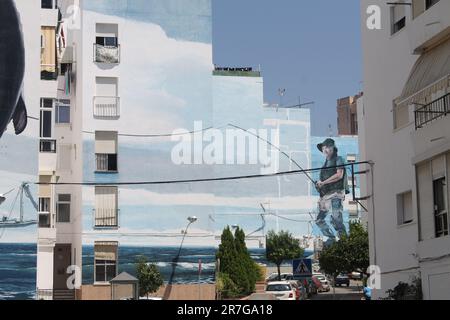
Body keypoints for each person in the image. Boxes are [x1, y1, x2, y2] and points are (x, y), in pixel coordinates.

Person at [315, 138, 349, 242]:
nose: (324, 150)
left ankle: (344, 240)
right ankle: (331, 237)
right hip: (325, 196)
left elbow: (339, 175)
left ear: (332, 148)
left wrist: (324, 182)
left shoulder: (339, 159)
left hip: (336, 193)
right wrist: (319, 186)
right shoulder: (324, 166)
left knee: (336, 218)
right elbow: (322, 183)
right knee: (319, 220)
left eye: (327, 147)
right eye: (323, 148)